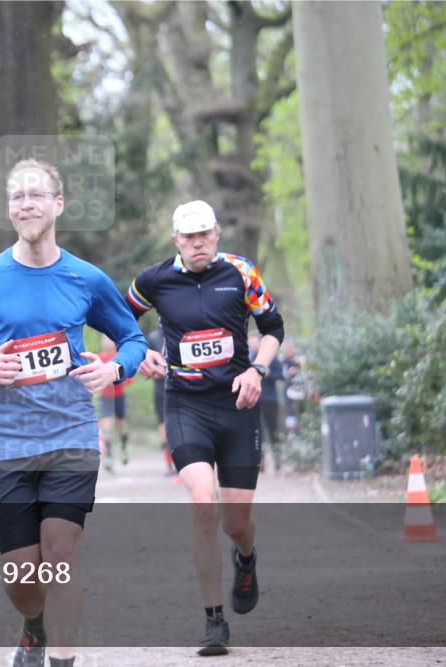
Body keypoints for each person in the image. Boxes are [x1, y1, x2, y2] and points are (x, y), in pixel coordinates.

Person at [0, 159, 147, 667]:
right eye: (17, 197)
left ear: (58, 204)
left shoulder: (84, 278)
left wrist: (114, 369)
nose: (25, 204)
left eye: (36, 195)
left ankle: (62, 661)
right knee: (23, 579)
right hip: (7, 442)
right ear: (10, 210)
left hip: (71, 436)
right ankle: (33, 626)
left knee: (61, 557)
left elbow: (133, 338)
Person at [126, 200, 284, 656]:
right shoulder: (153, 280)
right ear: (176, 240)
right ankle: (214, 620)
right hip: (185, 406)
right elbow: (118, 321)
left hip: (237, 405)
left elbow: (273, 327)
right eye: (189, 237)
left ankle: (246, 558)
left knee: (236, 524)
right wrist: (137, 354)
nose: (198, 244)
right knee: (201, 502)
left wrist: (257, 370)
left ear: (216, 234)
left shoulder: (241, 272)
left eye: (205, 235)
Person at [96, 335, 134, 471]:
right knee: (106, 428)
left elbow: (128, 378)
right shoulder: (98, 358)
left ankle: (124, 449)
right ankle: (109, 458)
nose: (107, 342)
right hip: (105, 398)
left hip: (119, 397)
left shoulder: (119, 357)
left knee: (122, 426)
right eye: (104, 339)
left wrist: (115, 379)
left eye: (110, 339)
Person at [249, 333, 284, 472]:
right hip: (253, 401)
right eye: (250, 343)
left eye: (254, 342)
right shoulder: (248, 359)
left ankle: (277, 460)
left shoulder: (272, 359)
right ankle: (259, 462)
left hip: (270, 400)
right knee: (256, 432)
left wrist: (268, 373)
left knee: (273, 430)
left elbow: (280, 377)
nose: (252, 345)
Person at [146, 326, 175, 474]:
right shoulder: (153, 337)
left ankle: (179, 462)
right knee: (163, 424)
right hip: (160, 387)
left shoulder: (178, 328)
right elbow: (147, 364)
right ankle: (169, 463)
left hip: (179, 384)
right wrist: (158, 372)